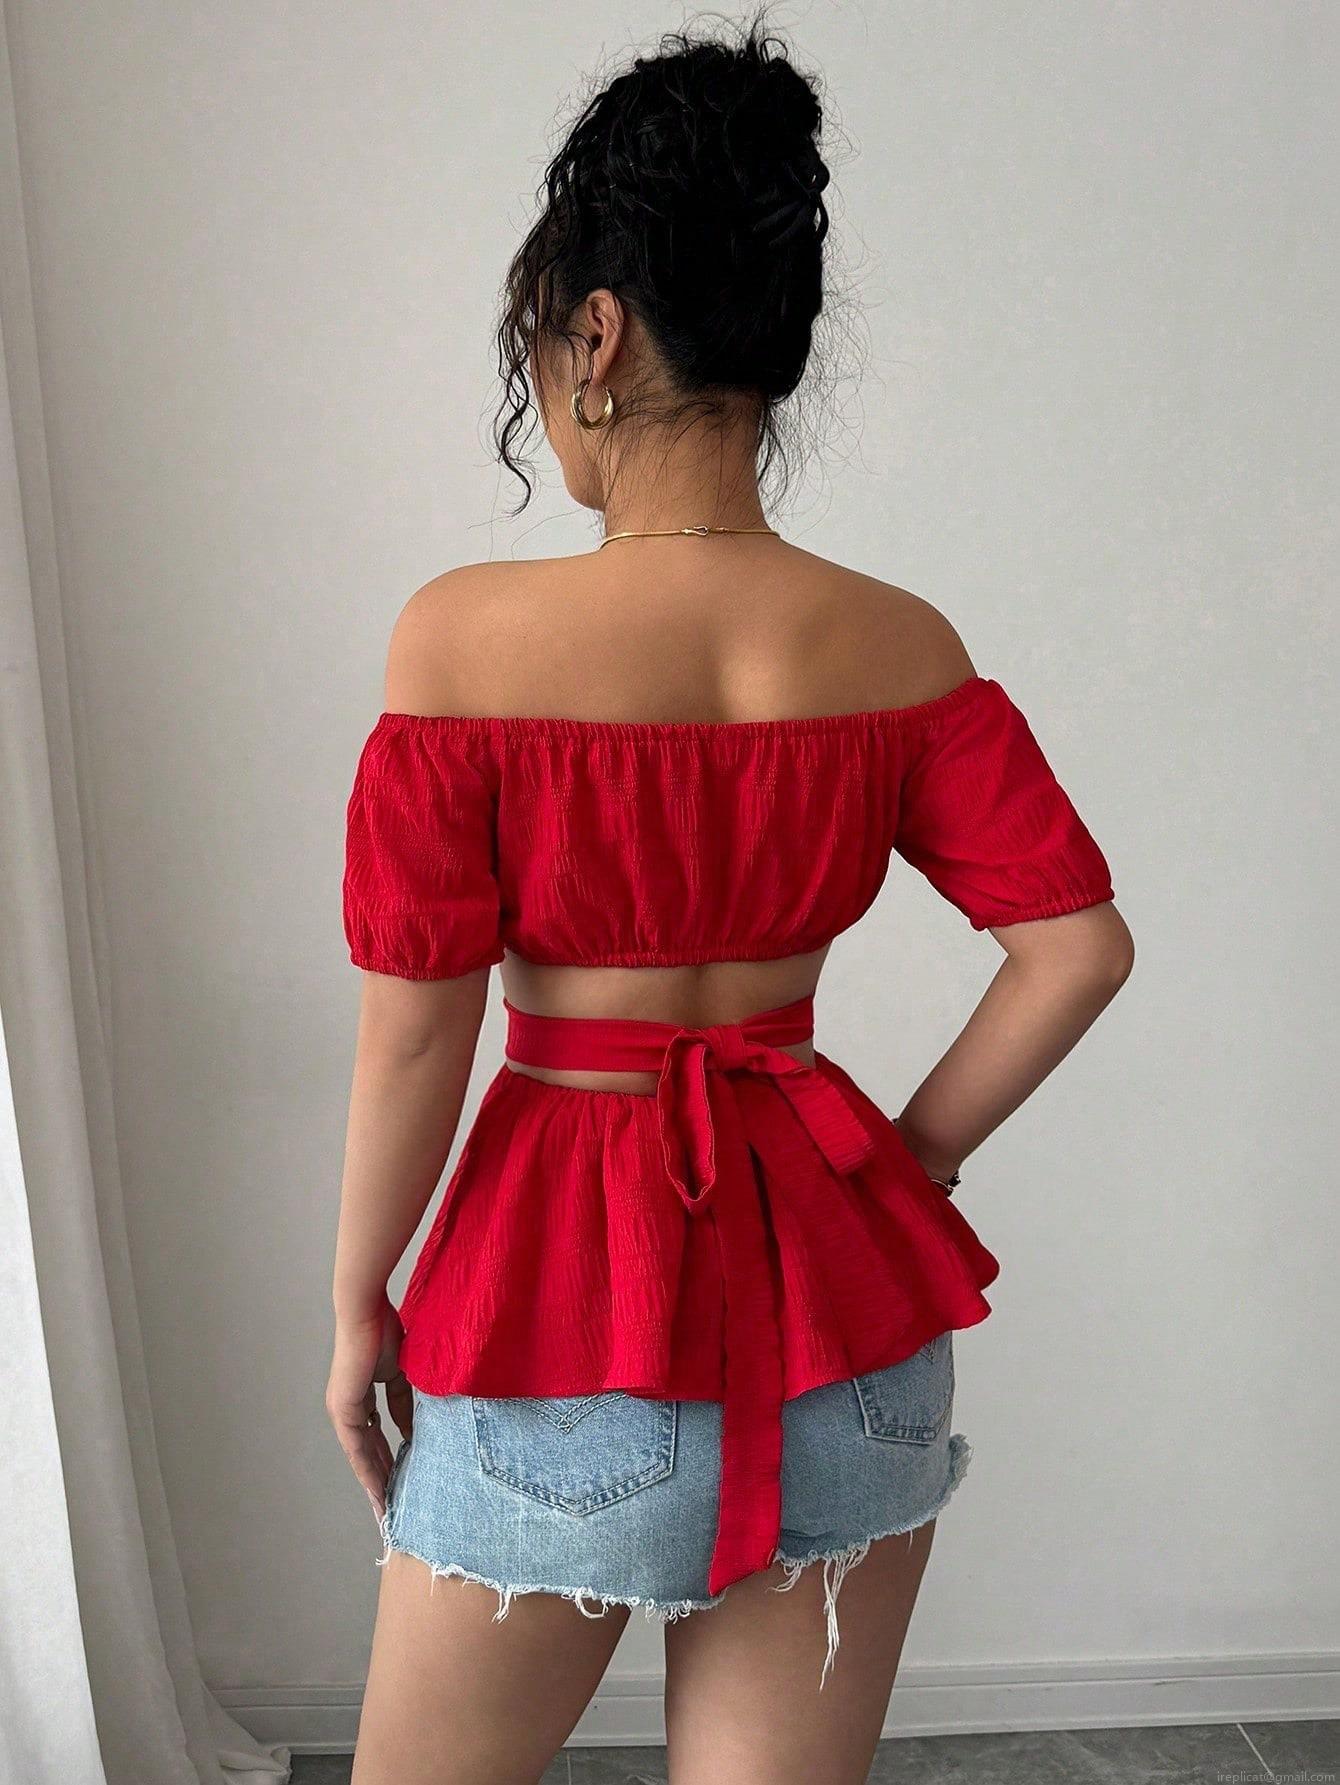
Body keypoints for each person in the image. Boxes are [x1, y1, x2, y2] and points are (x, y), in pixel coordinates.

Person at [328, 19, 1134, 1785]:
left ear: (599, 333)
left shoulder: (459, 641)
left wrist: (356, 1303)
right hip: (843, 1315)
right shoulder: (900, 643)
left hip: (564, 1315)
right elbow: (1076, 949)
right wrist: (907, 1163)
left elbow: (416, 1038)